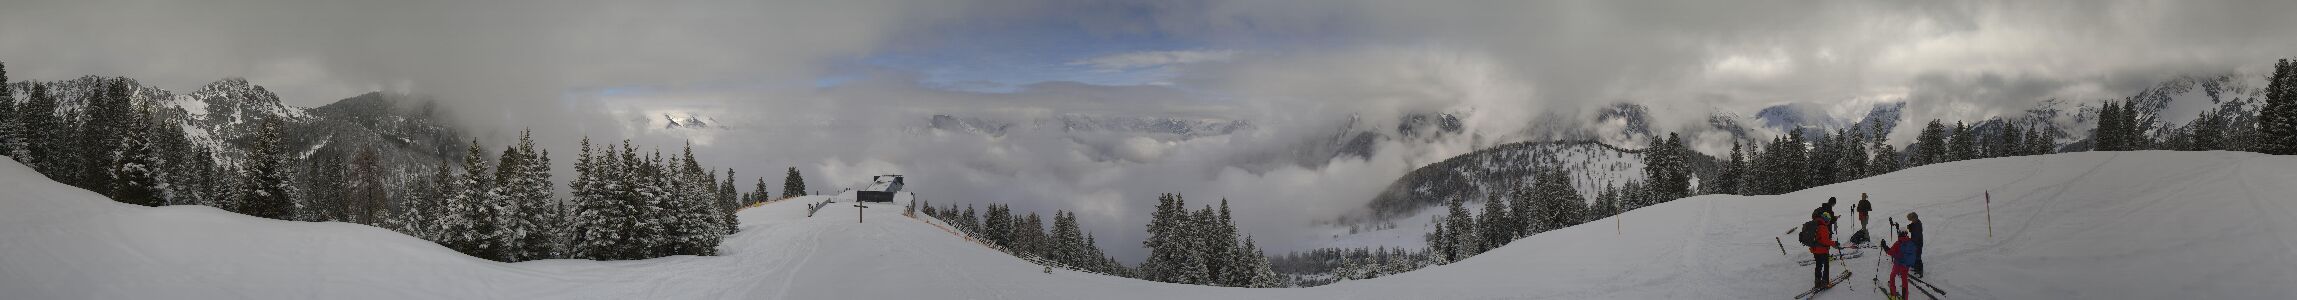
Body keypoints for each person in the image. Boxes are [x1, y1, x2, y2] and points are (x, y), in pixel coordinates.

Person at [1804, 211, 1839, 290]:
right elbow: (1825, 240)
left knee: (1818, 266)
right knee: (1826, 266)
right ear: (1826, 219)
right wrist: (1834, 243)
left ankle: (1817, 282)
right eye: (1829, 220)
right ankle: (1825, 282)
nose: (1829, 222)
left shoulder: (1816, 224)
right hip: (1822, 250)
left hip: (1815, 250)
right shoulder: (1823, 227)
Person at [1884, 229, 1916, 299]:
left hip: (1898, 264)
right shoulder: (1910, 242)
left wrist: (1885, 247)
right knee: (1904, 280)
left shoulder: (1898, 243)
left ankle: (1893, 295)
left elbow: (1891, 252)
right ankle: (1905, 298)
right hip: (1906, 265)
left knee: (1892, 276)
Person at [1907, 212, 1926, 277]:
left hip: (1918, 243)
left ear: (1914, 218)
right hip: (1915, 242)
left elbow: (1916, 235)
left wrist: (1912, 242)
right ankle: (1915, 267)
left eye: (1911, 220)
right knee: (1914, 255)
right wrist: (1910, 227)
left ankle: (1920, 271)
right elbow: (1912, 230)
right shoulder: (1915, 223)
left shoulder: (1918, 225)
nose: (1911, 221)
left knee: (1918, 256)